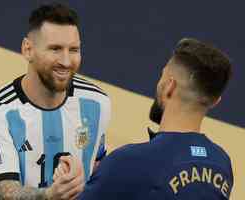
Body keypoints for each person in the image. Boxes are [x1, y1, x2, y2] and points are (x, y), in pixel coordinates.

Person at [0, 3, 111, 200]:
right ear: (28, 49)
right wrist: (50, 195)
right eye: (55, 49)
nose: (66, 61)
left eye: (73, 50)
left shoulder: (97, 103)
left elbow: (97, 164)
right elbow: (6, 191)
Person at [74, 38, 234, 199]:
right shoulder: (221, 164)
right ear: (215, 101)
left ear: (169, 87)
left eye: (162, 76)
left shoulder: (128, 162)